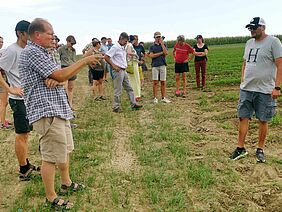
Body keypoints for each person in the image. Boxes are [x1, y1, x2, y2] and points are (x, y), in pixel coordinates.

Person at [19, 18, 100, 209]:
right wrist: (85, 60)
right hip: (47, 111)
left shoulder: (45, 52)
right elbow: (61, 74)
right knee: (50, 156)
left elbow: (58, 74)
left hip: (58, 108)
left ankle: (66, 183)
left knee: (65, 150)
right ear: (37, 35)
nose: (53, 37)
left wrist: (57, 78)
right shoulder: (32, 52)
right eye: (50, 34)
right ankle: (51, 197)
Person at [229, 17, 282, 163]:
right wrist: (242, 82)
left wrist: (277, 87)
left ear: (262, 27)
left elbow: (280, 65)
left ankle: (260, 149)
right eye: (249, 28)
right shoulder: (249, 43)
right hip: (247, 88)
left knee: (263, 120)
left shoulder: (273, 42)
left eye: (253, 28)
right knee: (243, 116)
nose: (251, 30)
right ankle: (240, 148)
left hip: (265, 89)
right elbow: (245, 64)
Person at [0, 20, 40, 180]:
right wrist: (10, 88)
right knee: (22, 134)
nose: (31, 37)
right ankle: (23, 169)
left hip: (30, 98)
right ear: (20, 33)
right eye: (28, 34)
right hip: (18, 100)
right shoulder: (11, 50)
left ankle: (26, 162)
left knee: (27, 133)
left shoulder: (29, 49)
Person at [104, 32, 142, 113]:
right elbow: (106, 57)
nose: (126, 43)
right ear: (121, 39)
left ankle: (133, 103)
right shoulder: (115, 47)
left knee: (129, 88)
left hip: (123, 70)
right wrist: (113, 66)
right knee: (118, 89)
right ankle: (116, 107)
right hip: (118, 71)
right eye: (125, 41)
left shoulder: (122, 47)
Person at [148, 32, 171, 103]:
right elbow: (151, 56)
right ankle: (155, 98)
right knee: (155, 82)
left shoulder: (164, 45)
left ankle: (163, 97)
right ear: (154, 37)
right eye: (157, 37)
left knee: (163, 82)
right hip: (155, 65)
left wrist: (162, 44)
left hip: (163, 65)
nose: (158, 38)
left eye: (159, 37)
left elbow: (166, 53)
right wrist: (161, 53)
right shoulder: (152, 46)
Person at [58, 35, 77, 109]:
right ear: (67, 41)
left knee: (71, 88)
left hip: (72, 69)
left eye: (73, 44)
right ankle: (65, 106)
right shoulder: (61, 49)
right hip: (64, 69)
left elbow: (74, 60)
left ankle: (70, 105)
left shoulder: (73, 50)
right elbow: (57, 60)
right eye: (71, 43)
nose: (72, 45)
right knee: (64, 88)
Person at [0, 36, 13, 129]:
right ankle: (2, 123)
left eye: (2, 42)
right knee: (3, 102)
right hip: (1, 79)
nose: (1, 43)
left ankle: (2, 120)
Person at [126, 35, 141, 101]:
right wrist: (135, 54)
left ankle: (132, 95)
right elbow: (129, 52)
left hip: (129, 64)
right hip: (133, 64)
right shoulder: (129, 45)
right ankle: (136, 95)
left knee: (131, 80)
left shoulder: (126, 45)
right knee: (135, 80)